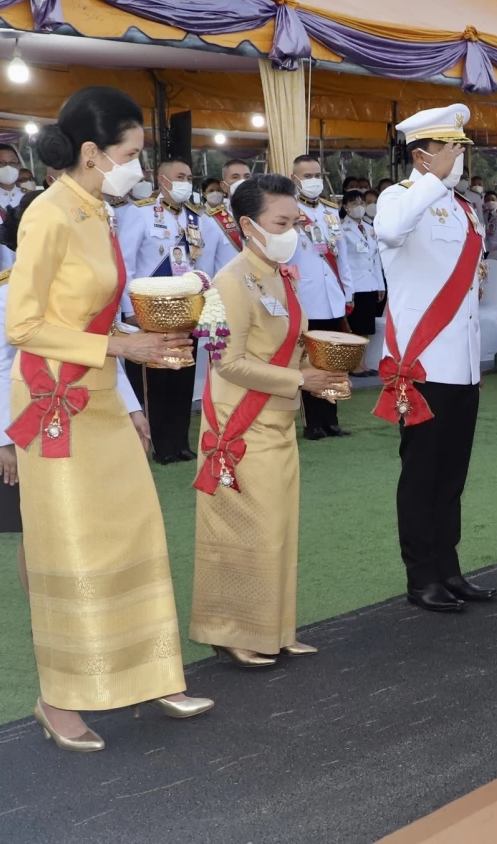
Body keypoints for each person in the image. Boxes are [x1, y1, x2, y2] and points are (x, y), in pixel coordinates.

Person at [6, 86, 211, 752]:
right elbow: (25, 323)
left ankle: (152, 672)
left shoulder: (97, 210)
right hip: (52, 398)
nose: (139, 169)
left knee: (133, 530)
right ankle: (58, 698)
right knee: (69, 546)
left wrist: (131, 363)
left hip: (96, 390)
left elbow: (86, 312)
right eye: (130, 154)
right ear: (92, 153)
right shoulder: (50, 214)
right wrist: (123, 346)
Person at [191, 174, 349, 667]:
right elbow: (226, 362)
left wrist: (323, 369)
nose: (292, 231)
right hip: (240, 424)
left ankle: (276, 629)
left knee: (278, 530)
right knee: (243, 532)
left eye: (295, 222)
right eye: (282, 222)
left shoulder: (283, 274)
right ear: (247, 225)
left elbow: (289, 341)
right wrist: (301, 380)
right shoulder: (227, 281)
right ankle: (233, 630)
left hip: (277, 422)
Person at [0, 190, 149, 584]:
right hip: (25, 422)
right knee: (35, 527)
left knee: (93, 515)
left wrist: (133, 408)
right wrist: (9, 441)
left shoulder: (87, 288)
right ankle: (45, 613)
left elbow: (104, 349)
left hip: (89, 412)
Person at [374, 104, 496, 614]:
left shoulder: (464, 208)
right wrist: (429, 177)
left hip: (461, 362)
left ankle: (448, 568)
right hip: (423, 363)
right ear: (425, 155)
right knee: (422, 474)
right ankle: (421, 575)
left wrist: (443, 182)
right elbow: (390, 231)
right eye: (454, 148)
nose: (462, 157)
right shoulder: (398, 197)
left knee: (452, 475)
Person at [116, 157, 202, 464]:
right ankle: (159, 445)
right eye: (180, 176)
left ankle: (180, 441)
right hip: (149, 311)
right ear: (162, 180)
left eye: (190, 177)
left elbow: (194, 263)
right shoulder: (139, 213)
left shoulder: (192, 217)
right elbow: (124, 263)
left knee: (182, 376)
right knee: (154, 381)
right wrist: (129, 310)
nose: (186, 182)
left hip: (184, 310)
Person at [288, 154, 354, 440]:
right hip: (307, 299)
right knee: (310, 362)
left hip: (332, 297)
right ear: (295, 180)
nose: (314, 181)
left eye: (317, 175)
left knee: (333, 361)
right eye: (307, 176)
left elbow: (343, 255)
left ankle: (331, 418)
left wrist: (347, 291)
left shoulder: (329, 210)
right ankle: (312, 422)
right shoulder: (289, 213)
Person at [340, 187, 384, 375]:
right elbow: (343, 262)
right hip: (354, 286)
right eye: (354, 203)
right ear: (346, 207)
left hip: (370, 284)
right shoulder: (342, 229)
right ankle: (354, 366)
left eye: (361, 203)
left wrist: (380, 284)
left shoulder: (369, 229)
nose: (359, 207)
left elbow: (375, 259)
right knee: (355, 328)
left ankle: (363, 364)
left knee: (366, 328)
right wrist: (346, 289)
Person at [198, 159, 251, 278]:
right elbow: (205, 268)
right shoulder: (211, 220)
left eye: (247, 177)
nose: (242, 182)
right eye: (235, 177)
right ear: (224, 186)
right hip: (228, 291)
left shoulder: (262, 215)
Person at [482, 190, 497, 257]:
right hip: (486, 248)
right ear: (485, 202)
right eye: (488, 200)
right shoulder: (484, 215)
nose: (490, 202)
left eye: (493, 199)